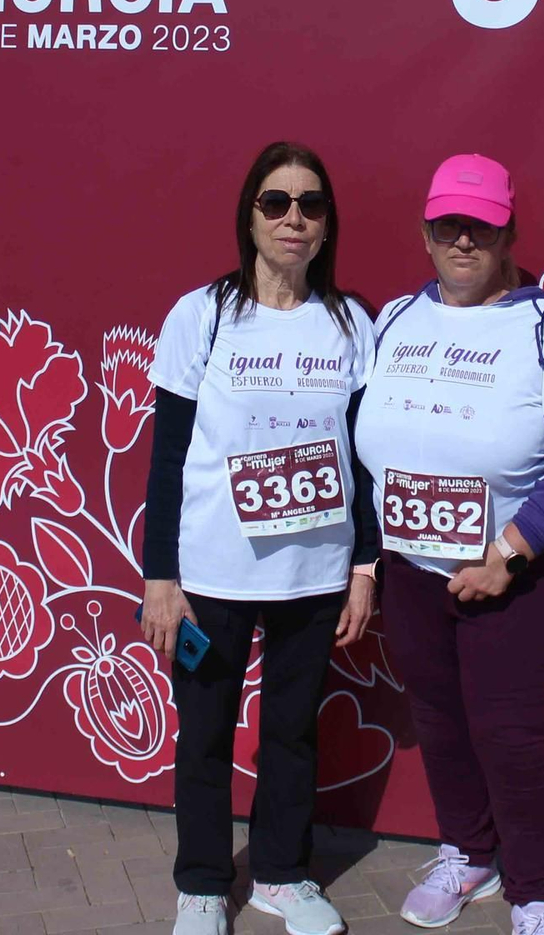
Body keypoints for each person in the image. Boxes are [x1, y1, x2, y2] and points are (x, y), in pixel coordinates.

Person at [354, 154, 544, 935]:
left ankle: (537, 894)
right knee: (440, 720)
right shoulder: (394, 318)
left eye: (481, 226)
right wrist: (370, 563)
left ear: (508, 232)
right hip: (413, 570)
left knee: (513, 737)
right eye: (447, 225)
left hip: (518, 575)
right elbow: (360, 445)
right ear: (426, 232)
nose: (462, 240)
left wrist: (508, 551)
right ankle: (467, 851)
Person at [142, 141, 379, 935]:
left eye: (310, 203)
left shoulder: (350, 323)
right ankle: (204, 885)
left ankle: (281, 875)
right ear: (248, 215)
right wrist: (160, 575)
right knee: (204, 732)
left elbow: (365, 457)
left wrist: (364, 567)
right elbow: (169, 453)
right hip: (209, 581)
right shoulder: (202, 313)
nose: (293, 217)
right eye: (275, 201)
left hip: (311, 579)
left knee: (291, 731)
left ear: (326, 225)